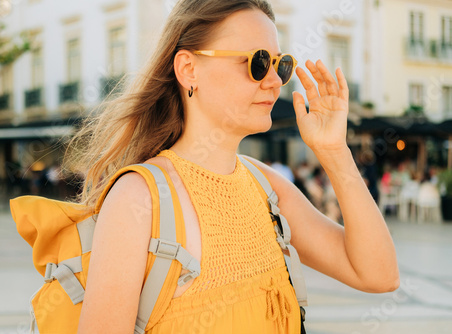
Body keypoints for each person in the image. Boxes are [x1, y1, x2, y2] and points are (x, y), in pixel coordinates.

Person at [69, 1, 399, 333]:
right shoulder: (138, 200)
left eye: (279, 65)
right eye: (256, 62)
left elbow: (378, 274)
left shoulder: (266, 187)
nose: (274, 81)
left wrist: (334, 151)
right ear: (188, 69)